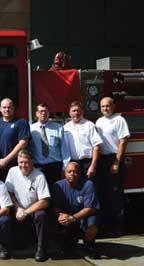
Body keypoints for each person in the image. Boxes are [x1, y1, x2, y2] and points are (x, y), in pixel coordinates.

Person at [5, 149, 50, 262]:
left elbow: (45, 201)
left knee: (41, 215)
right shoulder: (12, 171)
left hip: (32, 211)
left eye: (26, 162)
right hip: (18, 211)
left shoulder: (39, 176)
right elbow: (8, 192)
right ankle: (5, 246)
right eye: (21, 162)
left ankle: (41, 248)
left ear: (32, 161)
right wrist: (17, 208)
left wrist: (26, 212)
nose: (23, 165)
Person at [96, 96, 130, 236]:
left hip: (114, 158)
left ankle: (118, 228)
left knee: (115, 194)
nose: (105, 108)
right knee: (103, 193)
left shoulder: (119, 120)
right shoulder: (99, 121)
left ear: (113, 106)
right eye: (103, 106)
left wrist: (116, 161)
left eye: (108, 106)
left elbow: (123, 142)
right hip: (102, 160)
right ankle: (105, 226)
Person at [52, 162, 100, 259]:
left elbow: (89, 208)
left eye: (75, 171)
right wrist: (61, 215)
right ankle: (67, 244)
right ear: (65, 173)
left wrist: (73, 218)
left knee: (93, 223)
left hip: (83, 217)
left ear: (79, 173)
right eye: (69, 171)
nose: (72, 173)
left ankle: (89, 245)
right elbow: (55, 206)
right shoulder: (58, 185)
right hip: (67, 217)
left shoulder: (88, 184)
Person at [30, 103, 70, 187]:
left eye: (45, 111)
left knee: (56, 192)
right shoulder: (31, 129)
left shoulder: (58, 127)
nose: (43, 113)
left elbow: (64, 148)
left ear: (49, 113)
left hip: (54, 166)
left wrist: (65, 167)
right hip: (38, 167)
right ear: (36, 113)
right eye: (41, 111)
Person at [0, 98, 30, 181]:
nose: (7, 109)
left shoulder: (21, 122)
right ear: (0, 109)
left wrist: (6, 160)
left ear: (13, 108)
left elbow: (23, 143)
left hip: (16, 165)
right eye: (4, 107)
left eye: (9, 107)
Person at [64, 101, 102, 179]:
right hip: (72, 164)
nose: (76, 113)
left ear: (82, 112)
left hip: (87, 163)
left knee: (89, 187)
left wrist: (93, 166)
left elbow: (96, 147)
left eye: (78, 110)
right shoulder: (65, 128)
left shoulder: (89, 125)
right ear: (69, 113)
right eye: (74, 111)